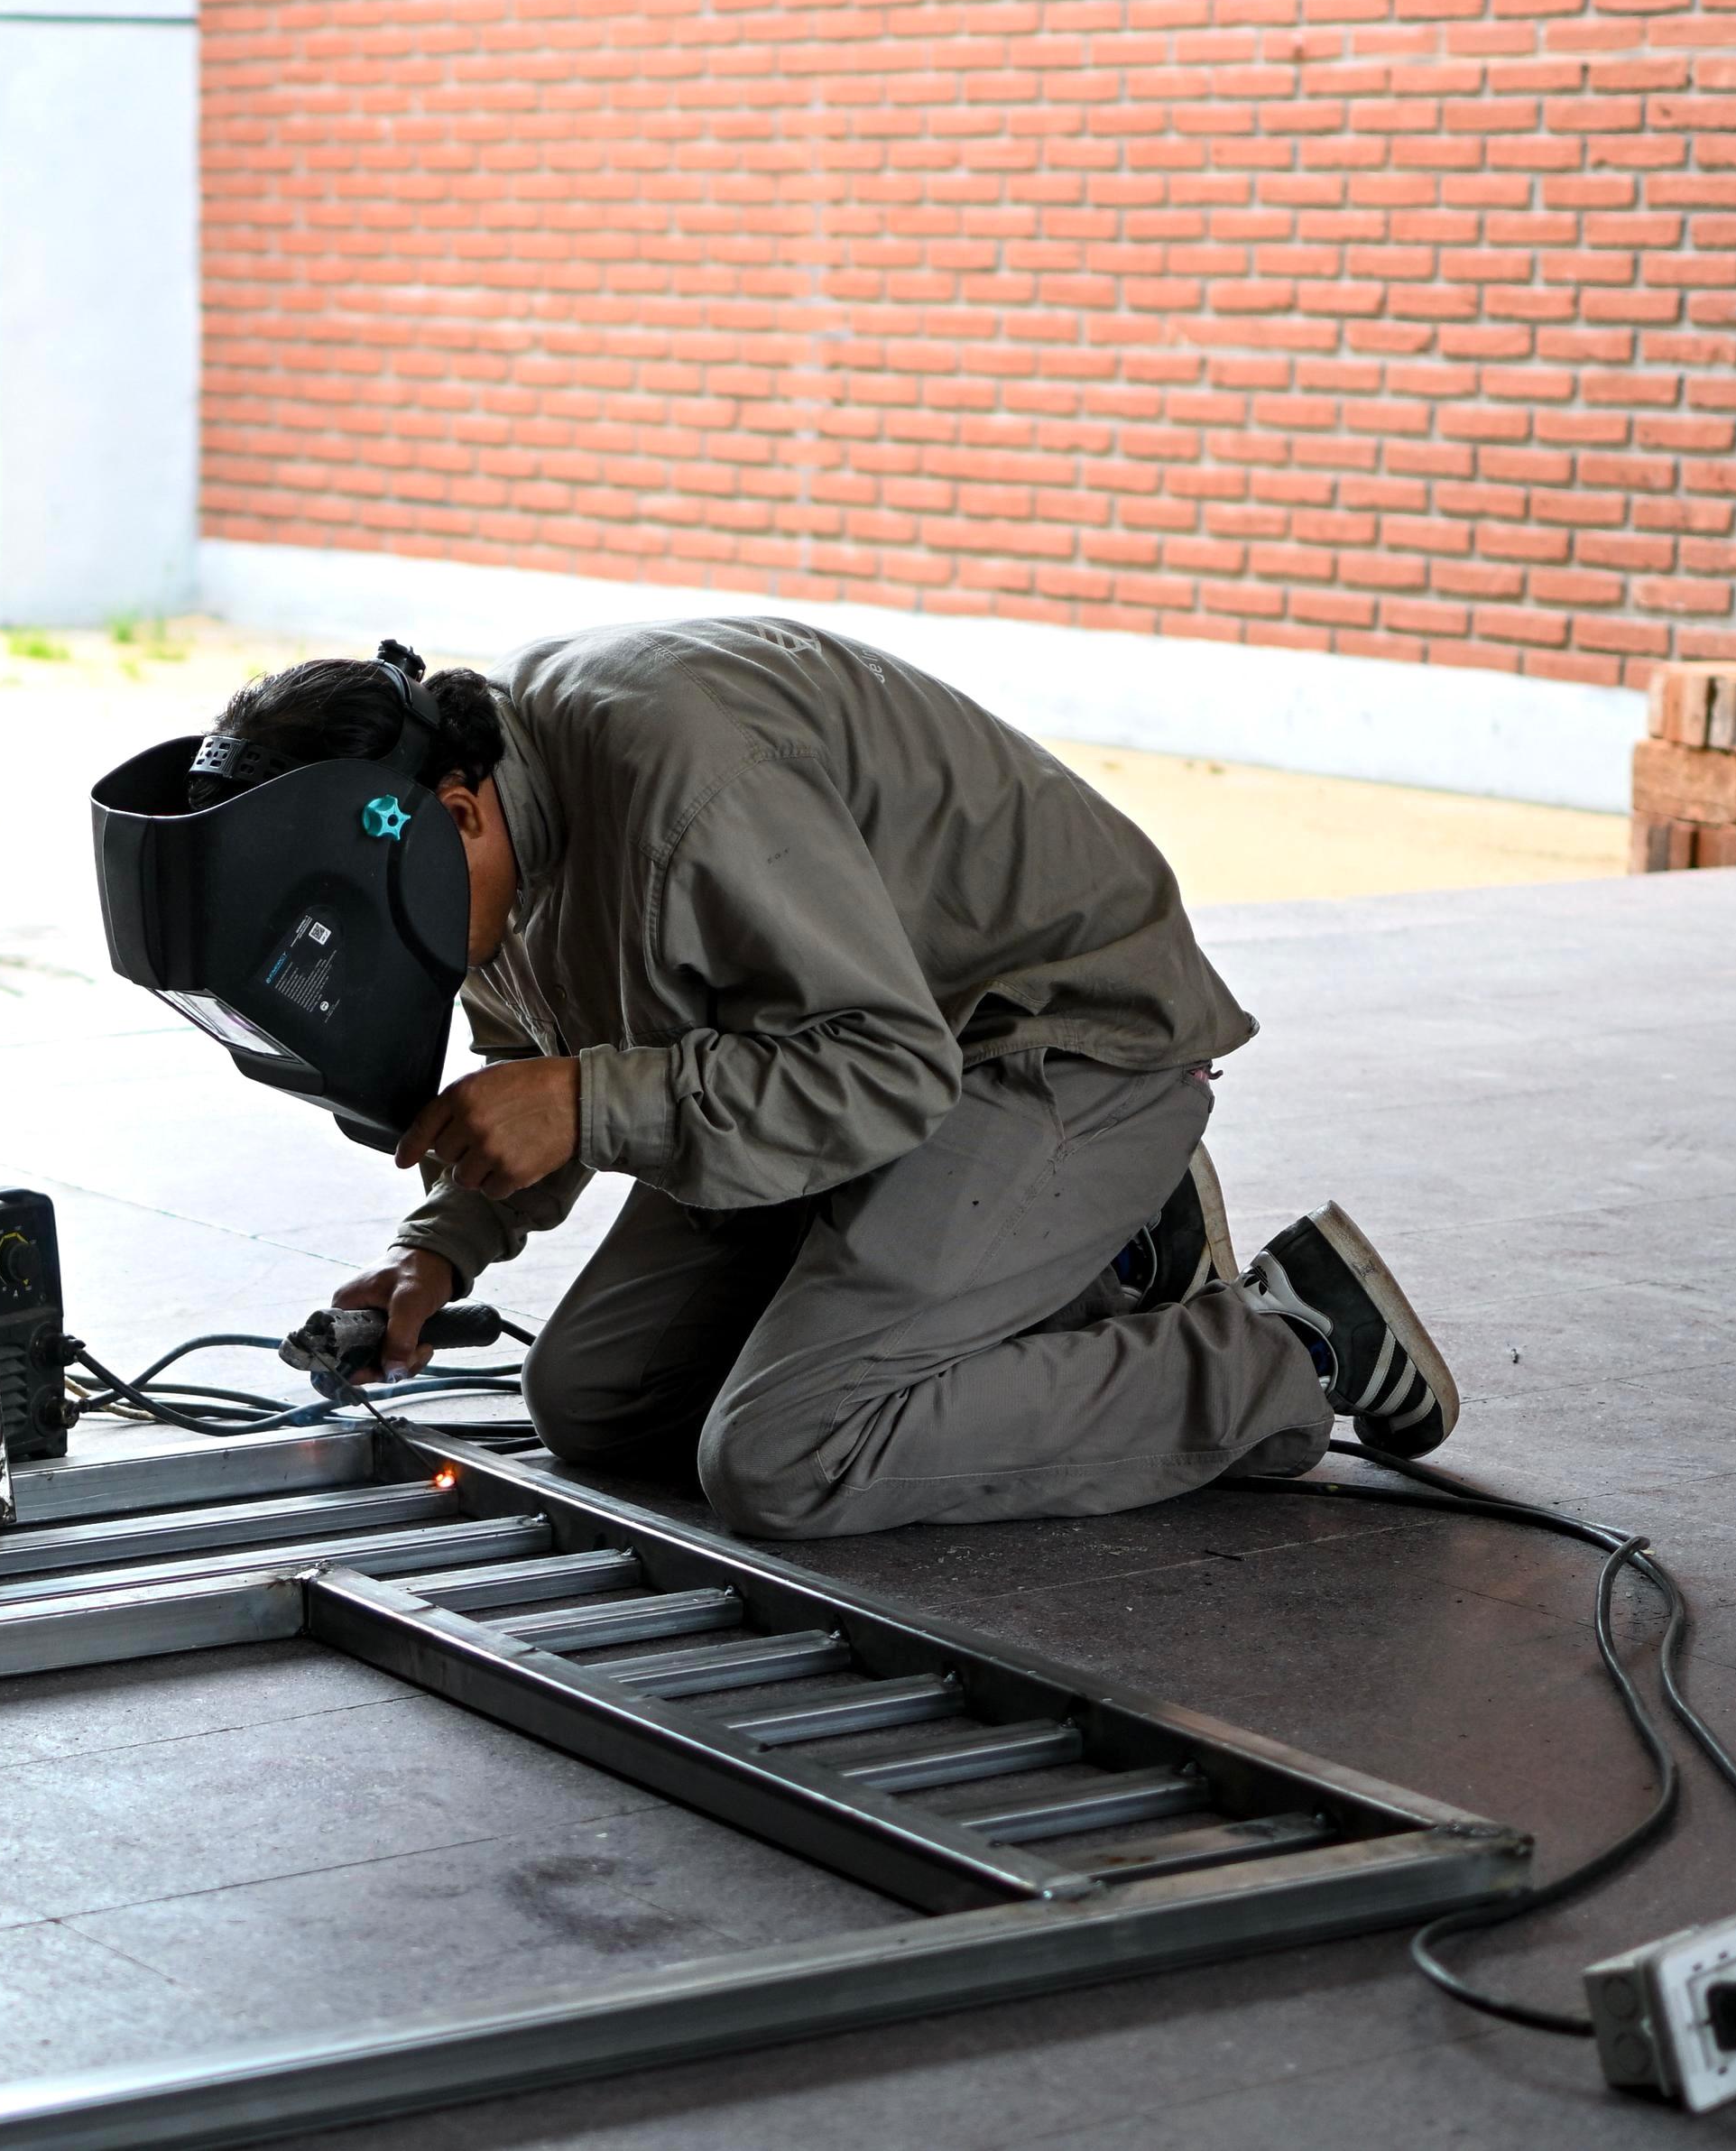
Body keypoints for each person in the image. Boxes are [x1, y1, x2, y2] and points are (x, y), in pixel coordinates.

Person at [199, 620, 1458, 1541]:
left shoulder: (679, 782)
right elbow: (536, 1071)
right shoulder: (472, 827)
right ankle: (1090, 1260)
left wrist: (588, 1102)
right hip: (839, 1073)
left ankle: (1286, 1343)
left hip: (1053, 1044)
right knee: (591, 1397)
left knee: (789, 1453)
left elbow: (889, 1063)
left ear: (458, 812)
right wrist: (440, 1254)